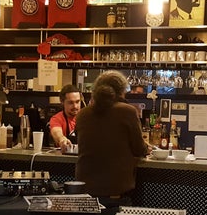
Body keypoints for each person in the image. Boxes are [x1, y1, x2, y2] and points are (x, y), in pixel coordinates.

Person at [75, 71, 150, 200]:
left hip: (84, 190)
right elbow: (139, 149)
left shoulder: (82, 114)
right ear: (121, 91)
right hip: (115, 191)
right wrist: (147, 148)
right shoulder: (128, 111)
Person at [49, 84, 82, 149]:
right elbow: (56, 132)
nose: (75, 106)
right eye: (70, 103)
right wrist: (62, 139)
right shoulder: (57, 119)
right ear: (62, 102)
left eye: (77, 102)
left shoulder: (86, 118)